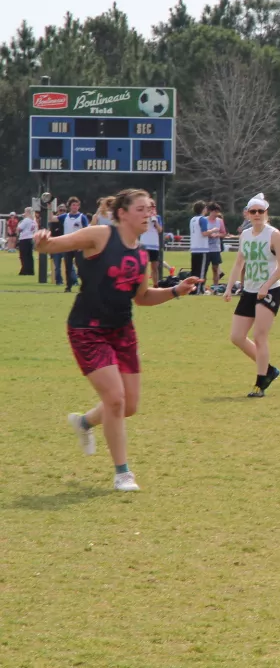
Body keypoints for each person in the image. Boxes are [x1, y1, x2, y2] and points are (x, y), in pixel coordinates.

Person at [35, 188, 200, 491]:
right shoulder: (101, 235)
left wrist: (176, 290)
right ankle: (123, 473)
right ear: (122, 213)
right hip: (87, 330)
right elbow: (52, 246)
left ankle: (84, 422)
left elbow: (142, 297)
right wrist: (43, 240)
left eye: (150, 209)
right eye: (141, 209)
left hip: (122, 331)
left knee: (129, 405)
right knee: (115, 399)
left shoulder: (141, 254)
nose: (148, 214)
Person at [224, 194, 280, 397]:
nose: (257, 214)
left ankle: (260, 384)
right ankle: (268, 370)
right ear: (247, 214)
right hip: (249, 290)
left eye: (261, 211)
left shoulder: (274, 235)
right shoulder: (245, 235)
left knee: (260, 337)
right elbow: (239, 263)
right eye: (253, 211)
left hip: (269, 291)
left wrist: (266, 286)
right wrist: (229, 287)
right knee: (236, 337)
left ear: (266, 213)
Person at [139, 198, 164, 287]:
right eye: (151, 206)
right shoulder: (143, 216)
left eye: (154, 206)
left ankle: (155, 285)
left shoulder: (157, 217)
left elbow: (160, 230)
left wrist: (155, 221)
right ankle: (142, 285)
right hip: (144, 244)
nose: (152, 208)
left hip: (154, 244)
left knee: (155, 267)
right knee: (143, 266)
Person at [203, 202, 226, 289]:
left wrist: (217, 235)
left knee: (215, 268)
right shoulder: (204, 220)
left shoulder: (219, 221)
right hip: (205, 248)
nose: (217, 214)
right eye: (215, 211)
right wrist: (209, 234)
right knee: (204, 269)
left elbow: (223, 233)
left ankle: (216, 286)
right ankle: (202, 286)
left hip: (215, 248)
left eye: (218, 212)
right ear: (211, 211)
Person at [188, 200, 208, 292]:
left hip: (194, 248)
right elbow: (204, 233)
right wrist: (213, 231)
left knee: (194, 270)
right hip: (202, 248)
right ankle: (199, 289)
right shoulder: (203, 219)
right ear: (203, 209)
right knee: (201, 271)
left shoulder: (192, 219)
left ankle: (193, 288)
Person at [17, 207, 37, 274]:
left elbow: (19, 228)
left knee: (23, 256)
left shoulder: (26, 220)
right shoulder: (33, 220)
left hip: (24, 238)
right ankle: (30, 271)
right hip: (31, 238)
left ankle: (24, 270)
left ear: (27, 212)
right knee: (29, 256)